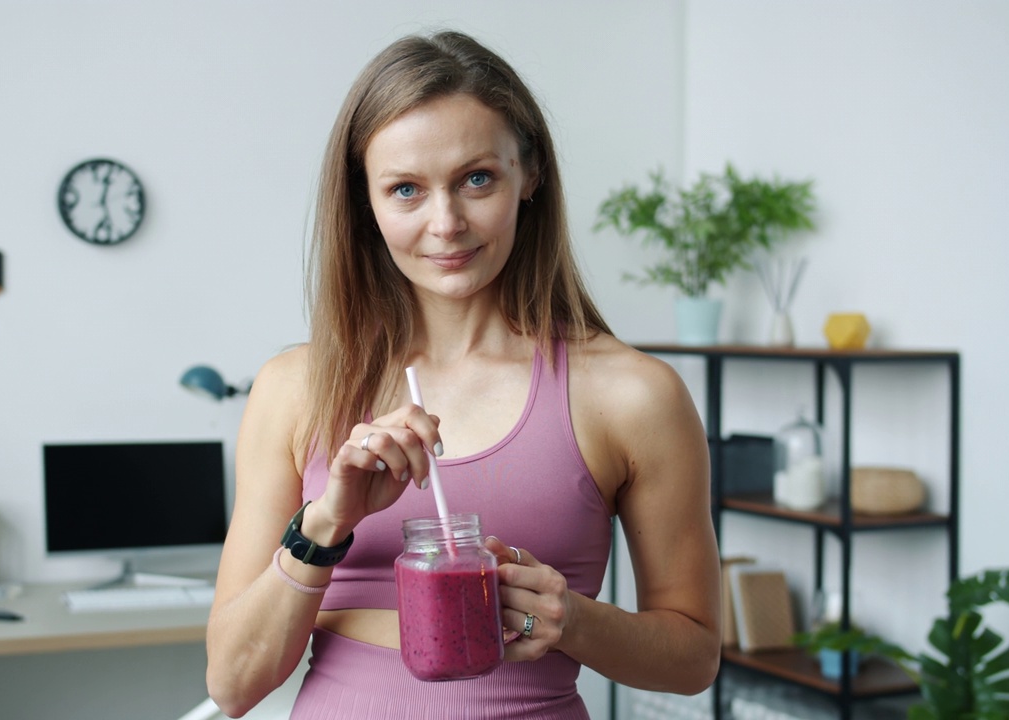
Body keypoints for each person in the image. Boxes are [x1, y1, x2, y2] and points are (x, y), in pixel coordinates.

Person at [205, 30, 721, 719]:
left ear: (528, 174)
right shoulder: (296, 390)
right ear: (366, 201)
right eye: (406, 190)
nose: (445, 223)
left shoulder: (632, 395)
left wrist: (572, 619)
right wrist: (327, 522)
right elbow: (233, 685)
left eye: (477, 179)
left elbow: (694, 660)